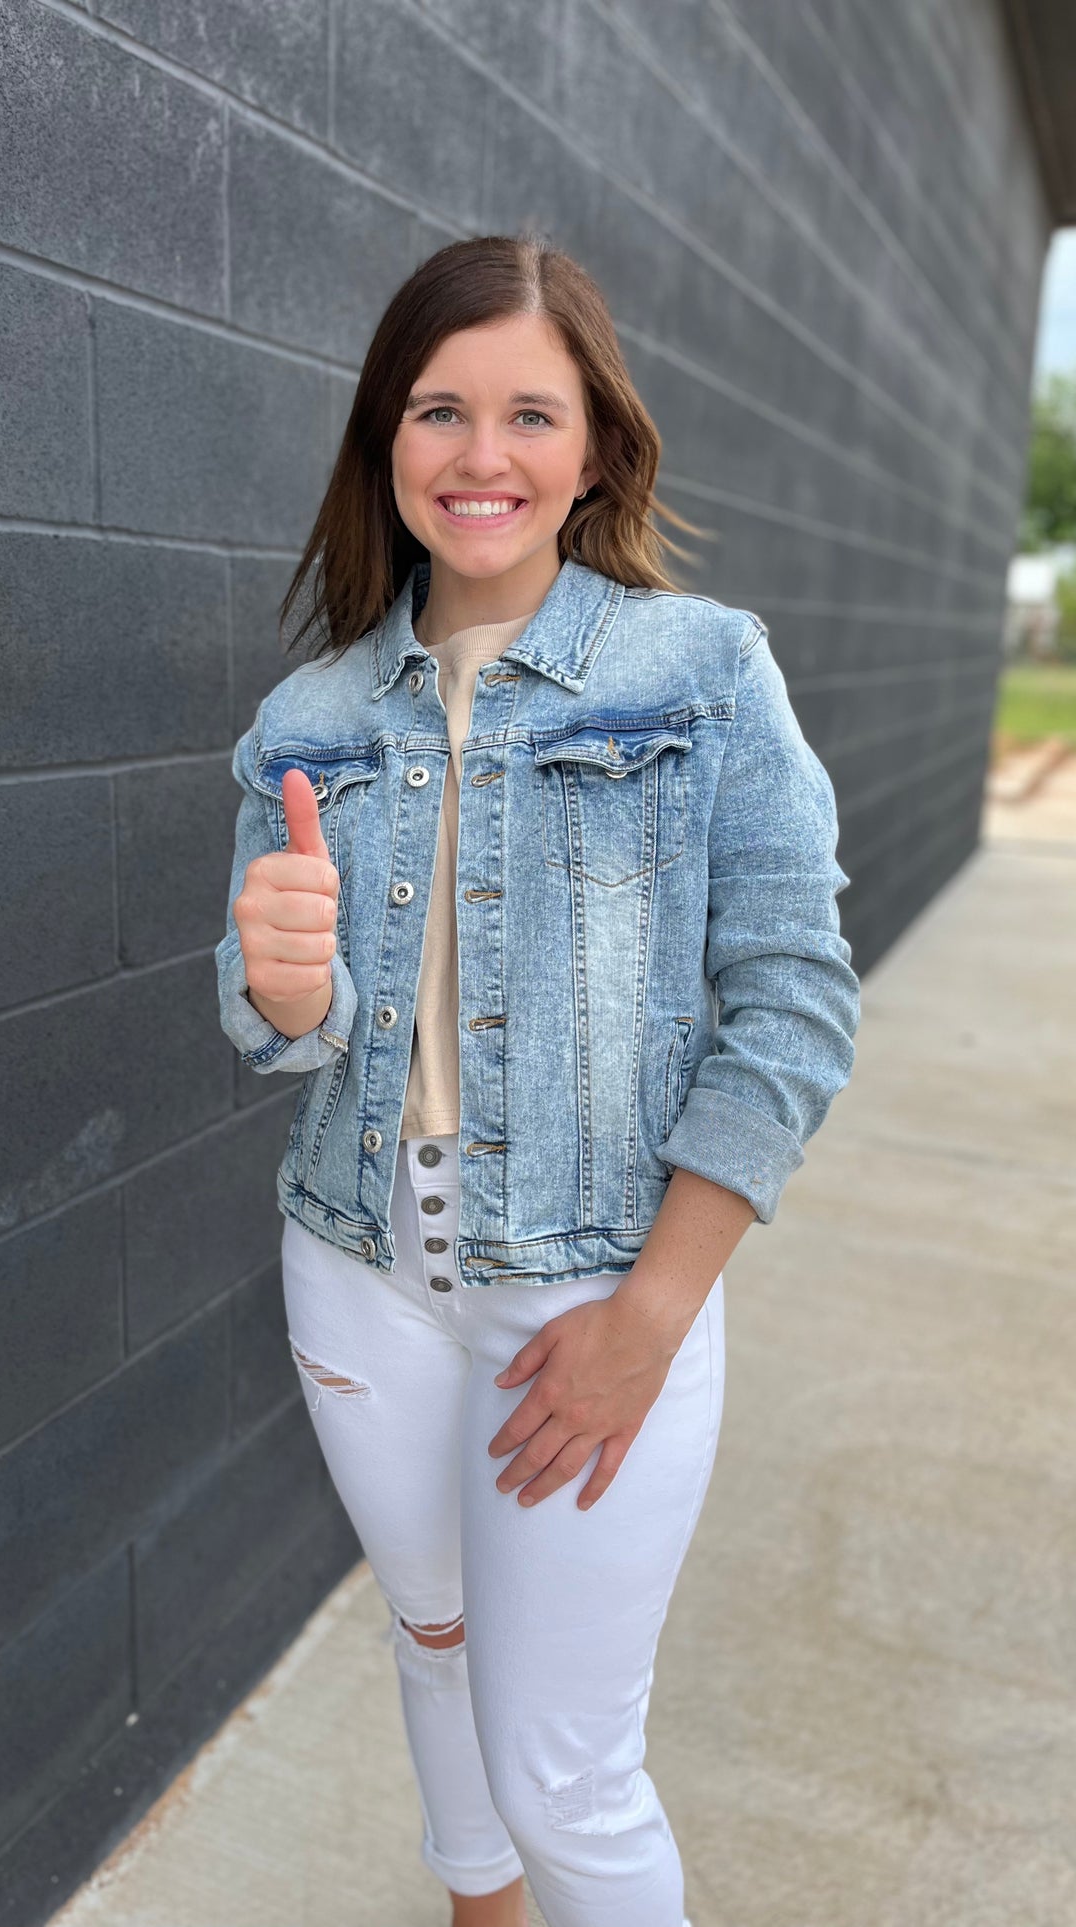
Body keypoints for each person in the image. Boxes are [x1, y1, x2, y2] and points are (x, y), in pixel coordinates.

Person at [214, 232, 860, 1927]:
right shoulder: (305, 718)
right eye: (438, 410)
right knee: (431, 1644)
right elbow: (287, 1027)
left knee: (568, 1772)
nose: (480, 455)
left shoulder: (701, 673)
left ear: (594, 450)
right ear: (384, 441)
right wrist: (279, 984)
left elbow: (791, 1002)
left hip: (593, 1296)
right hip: (358, 1276)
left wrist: (653, 1315)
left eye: (528, 413)